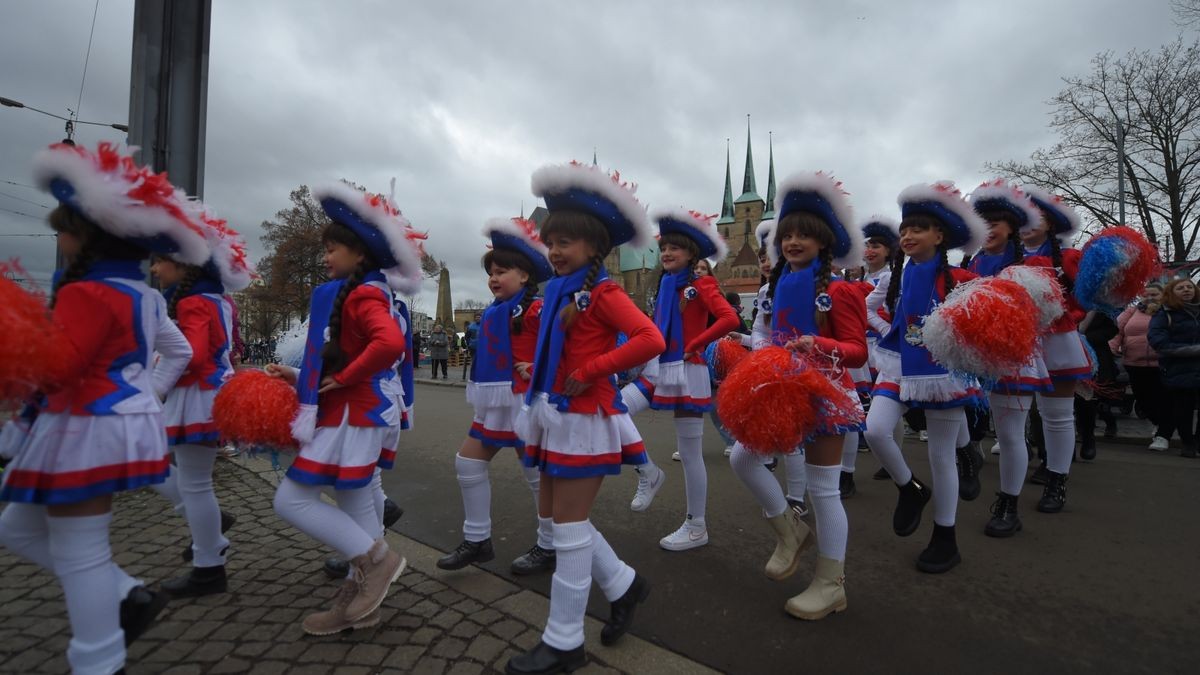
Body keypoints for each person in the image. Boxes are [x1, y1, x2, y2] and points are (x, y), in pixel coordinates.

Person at [0, 142, 200, 674]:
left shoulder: (84, 292)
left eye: (63, 228)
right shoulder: (145, 295)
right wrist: (147, 393)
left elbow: (61, 366)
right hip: (114, 418)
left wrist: (18, 348)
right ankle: (128, 595)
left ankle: (98, 659)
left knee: (80, 549)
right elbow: (169, 351)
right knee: (17, 528)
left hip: (88, 424)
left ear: (86, 235)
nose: (58, 239)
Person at [505, 161, 665, 673]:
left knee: (569, 530)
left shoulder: (605, 291)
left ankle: (564, 641)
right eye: (551, 241)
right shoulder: (555, 289)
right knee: (557, 520)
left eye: (566, 242)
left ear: (594, 248)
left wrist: (594, 369)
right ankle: (624, 584)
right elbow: (562, 346)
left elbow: (650, 339)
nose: (554, 250)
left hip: (585, 420)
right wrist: (541, 368)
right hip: (556, 415)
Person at [266, 181, 417, 635]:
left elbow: (389, 343)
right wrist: (303, 379)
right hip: (349, 411)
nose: (327, 256)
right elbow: (346, 351)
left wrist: (347, 378)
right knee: (357, 506)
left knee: (292, 499)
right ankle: (360, 604)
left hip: (354, 413)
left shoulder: (364, 292)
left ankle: (379, 561)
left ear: (361, 254)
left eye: (334, 248)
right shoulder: (357, 290)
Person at [727, 171, 869, 619]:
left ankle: (831, 584)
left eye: (803, 235)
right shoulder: (774, 288)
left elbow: (857, 351)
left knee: (824, 490)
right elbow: (768, 335)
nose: (792, 241)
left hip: (825, 391)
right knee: (741, 457)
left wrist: (820, 345)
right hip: (782, 388)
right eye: (786, 234)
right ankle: (790, 530)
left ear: (823, 241)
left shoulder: (840, 289)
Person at [862, 181, 985, 573]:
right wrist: (887, 335)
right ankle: (910, 488)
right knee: (875, 430)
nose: (908, 235)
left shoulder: (962, 279)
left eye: (918, 229)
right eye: (904, 230)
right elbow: (881, 313)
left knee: (940, 456)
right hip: (899, 361)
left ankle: (945, 537)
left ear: (940, 235)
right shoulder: (895, 275)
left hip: (941, 371)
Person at [437, 216, 557, 576]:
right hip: (494, 401)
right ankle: (477, 540)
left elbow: (560, 347)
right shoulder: (491, 312)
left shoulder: (537, 309)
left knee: (535, 473)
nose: (493, 278)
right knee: (468, 462)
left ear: (525, 276)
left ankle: (549, 544)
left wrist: (537, 367)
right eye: (490, 272)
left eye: (501, 271)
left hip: (525, 401)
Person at [149, 207, 254, 597]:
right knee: (186, 480)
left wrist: (157, 363)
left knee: (186, 480)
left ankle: (208, 560)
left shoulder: (192, 302)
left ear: (183, 264)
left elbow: (191, 354)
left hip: (196, 396)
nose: (156, 269)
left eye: (160, 261)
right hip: (212, 392)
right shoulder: (219, 299)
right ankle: (208, 538)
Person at [627, 208, 739, 551]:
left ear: (691, 253)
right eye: (664, 248)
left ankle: (696, 526)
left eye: (675, 248)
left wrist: (696, 343)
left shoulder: (700, 283)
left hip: (688, 372)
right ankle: (647, 470)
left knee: (691, 454)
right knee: (613, 409)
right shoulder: (665, 284)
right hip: (658, 368)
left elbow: (729, 317)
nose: (667, 253)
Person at [963, 180, 1049, 537]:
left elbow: (1041, 315)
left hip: (1014, 358)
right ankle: (969, 457)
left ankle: (1008, 503)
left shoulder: (1030, 264)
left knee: (1011, 433)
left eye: (994, 223)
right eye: (982, 224)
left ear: (1012, 227)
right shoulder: (970, 263)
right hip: (972, 360)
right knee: (956, 420)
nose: (988, 231)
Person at [1020, 186, 1089, 513]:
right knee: (1013, 415)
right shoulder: (1006, 257)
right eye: (1023, 219)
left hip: (1058, 341)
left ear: (1051, 223)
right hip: (1017, 343)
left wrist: (1063, 315)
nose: (1028, 225)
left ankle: (1056, 479)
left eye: (1037, 219)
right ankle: (1010, 483)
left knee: (1057, 415)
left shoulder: (1070, 258)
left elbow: (1087, 300)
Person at [1111, 283, 1170, 450]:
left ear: (1163, 296)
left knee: (1164, 399)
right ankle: (1159, 423)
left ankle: (1163, 434)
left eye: (1155, 294)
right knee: (1143, 400)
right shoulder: (1131, 312)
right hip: (1134, 363)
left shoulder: (1168, 312)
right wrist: (1112, 349)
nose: (1150, 297)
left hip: (1162, 363)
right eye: (1147, 294)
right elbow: (1117, 332)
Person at [1148, 277, 1200, 458]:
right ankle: (1188, 442)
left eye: (1189, 287)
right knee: (1183, 408)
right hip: (1178, 368)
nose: (1186, 290)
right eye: (1181, 288)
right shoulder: (1164, 313)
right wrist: (1193, 350)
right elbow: (1158, 341)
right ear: (1171, 292)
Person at [462, 312, 482, 380]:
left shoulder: (485, 325)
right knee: (474, 362)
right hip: (473, 347)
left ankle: (480, 375)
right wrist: (469, 344)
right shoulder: (470, 326)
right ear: (474, 318)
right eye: (476, 317)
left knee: (482, 362)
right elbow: (467, 337)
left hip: (483, 347)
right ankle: (474, 376)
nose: (477, 318)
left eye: (479, 317)